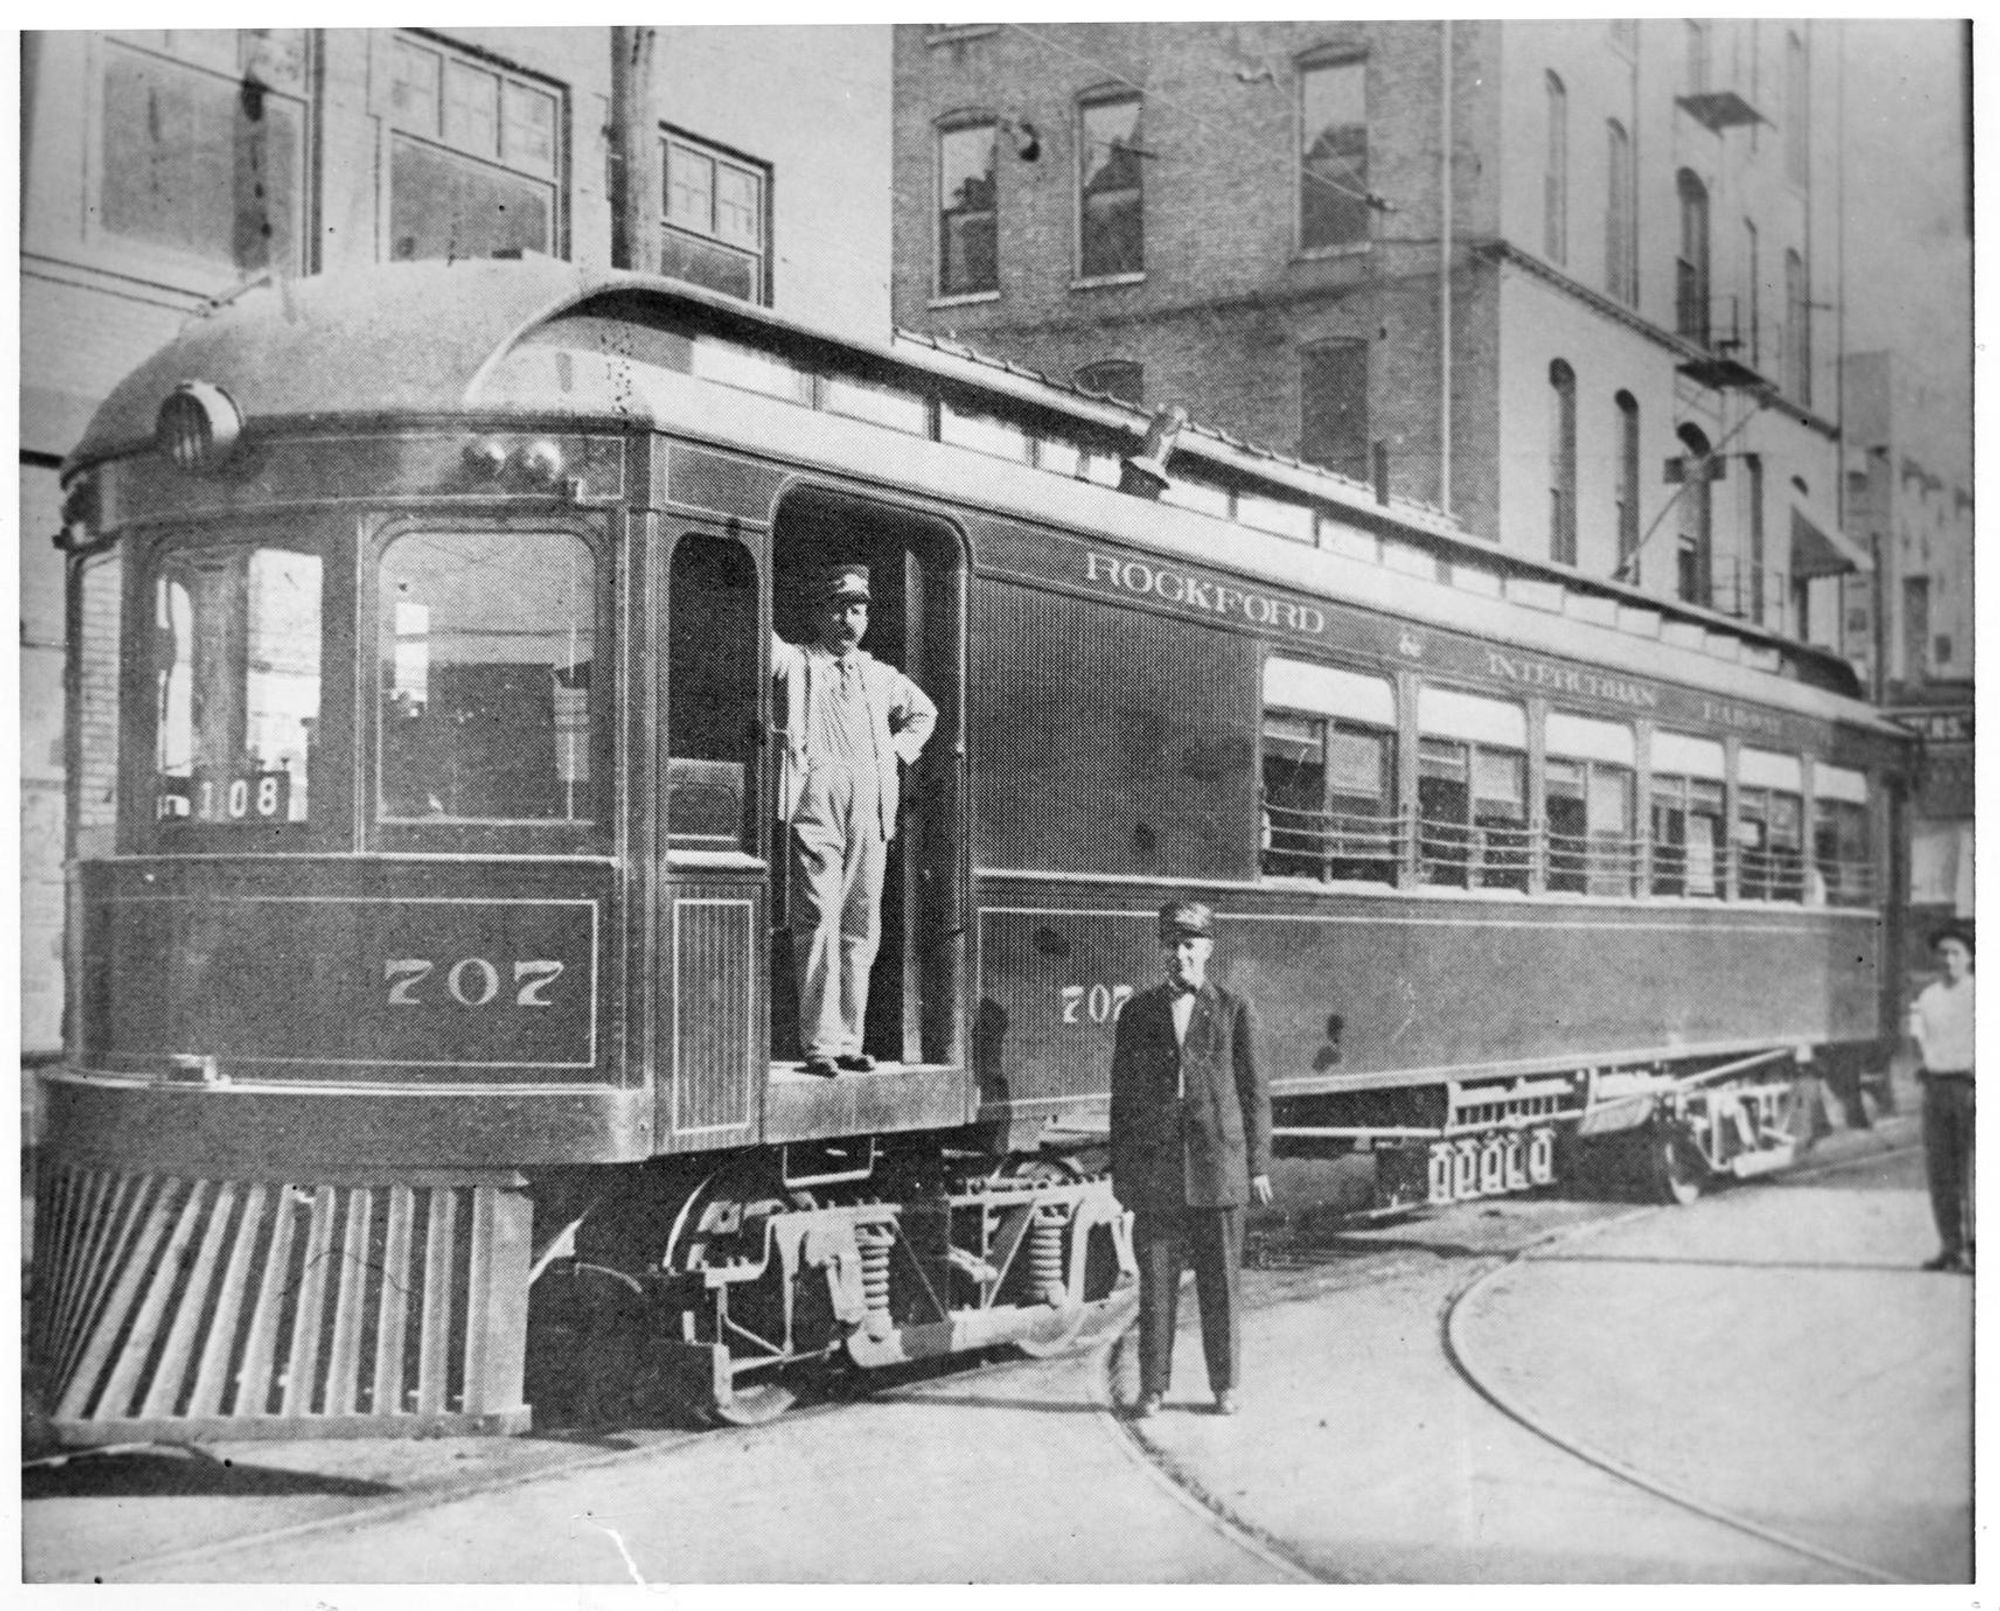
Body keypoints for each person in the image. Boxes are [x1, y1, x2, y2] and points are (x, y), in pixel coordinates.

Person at [1109, 898, 1273, 1418]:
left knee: (1220, 1287)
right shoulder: (1138, 1012)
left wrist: (1259, 1166)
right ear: (1162, 950)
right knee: (1156, 1289)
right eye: (1172, 944)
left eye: (1189, 944)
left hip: (1218, 1170)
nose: (1180, 954)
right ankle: (1152, 1389)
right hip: (1159, 1174)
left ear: (1207, 949)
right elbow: (1124, 1100)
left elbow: (1254, 1093)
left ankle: (1225, 1387)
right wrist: (1124, 1176)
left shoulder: (1232, 1008)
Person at [771, 563, 936, 1077]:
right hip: (815, 802)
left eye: (859, 610)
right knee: (817, 917)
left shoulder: (881, 676)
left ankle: (848, 1040)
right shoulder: (798, 663)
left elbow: (924, 714)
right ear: (820, 613)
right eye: (839, 609)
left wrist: (894, 752)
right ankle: (819, 1043)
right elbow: (762, 636)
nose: (849, 620)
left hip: (871, 804)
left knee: (861, 926)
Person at [1908, 923, 1975, 1273]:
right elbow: (1919, 1040)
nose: (1948, 960)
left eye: (1956, 953)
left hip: (1971, 1089)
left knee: (1974, 1174)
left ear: (1970, 959)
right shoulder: (1929, 997)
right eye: (1943, 953)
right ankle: (1951, 1247)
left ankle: (1978, 1248)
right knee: (1942, 1173)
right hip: (1937, 1090)